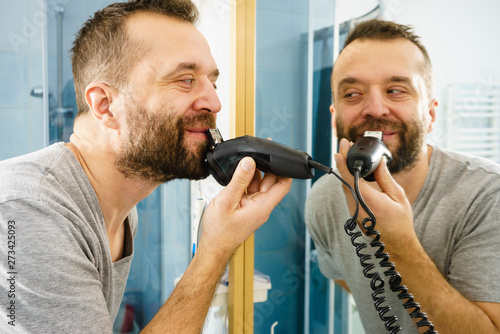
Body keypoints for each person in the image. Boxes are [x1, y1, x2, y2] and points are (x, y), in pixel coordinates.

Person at [0, 1, 292, 333]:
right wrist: (215, 248)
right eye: (185, 80)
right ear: (106, 105)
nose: (214, 102)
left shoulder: (120, 210)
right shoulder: (28, 210)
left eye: (212, 82)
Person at [305, 19, 500, 333]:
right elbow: (355, 286)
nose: (375, 108)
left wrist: (398, 243)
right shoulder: (324, 198)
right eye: (352, 94)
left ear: (431, 114)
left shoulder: (489, 195)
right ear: (334, 117)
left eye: (396, 91)